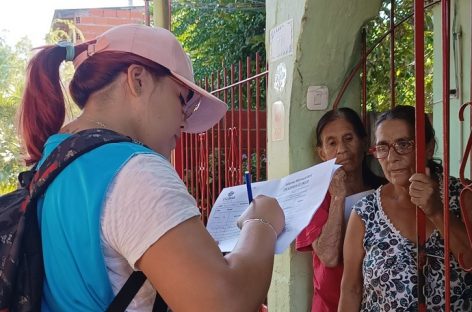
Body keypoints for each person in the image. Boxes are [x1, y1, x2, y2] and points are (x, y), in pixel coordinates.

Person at [18, 24, 285, 311]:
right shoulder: (134, 171)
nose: (183, 122)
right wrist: (262, 222)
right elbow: (225, 304)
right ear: (138, 80)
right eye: (182, 101)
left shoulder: (55, 159)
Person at [338, 105, 472, 311]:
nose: (392, 157)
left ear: (428, 147)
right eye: (383, 147)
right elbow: (351, 290)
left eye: (403, 144)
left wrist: (437, 212)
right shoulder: (366, 212)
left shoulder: (462, 195)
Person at [296, 107, 385, 312]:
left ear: (363, 143)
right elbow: (328, 256)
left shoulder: (384, 191)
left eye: (348, 138)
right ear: (322, 153)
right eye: (332, 143)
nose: (341, 149)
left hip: (378, 303)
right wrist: (337, 197)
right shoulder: (314, 197)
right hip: (330, 306)